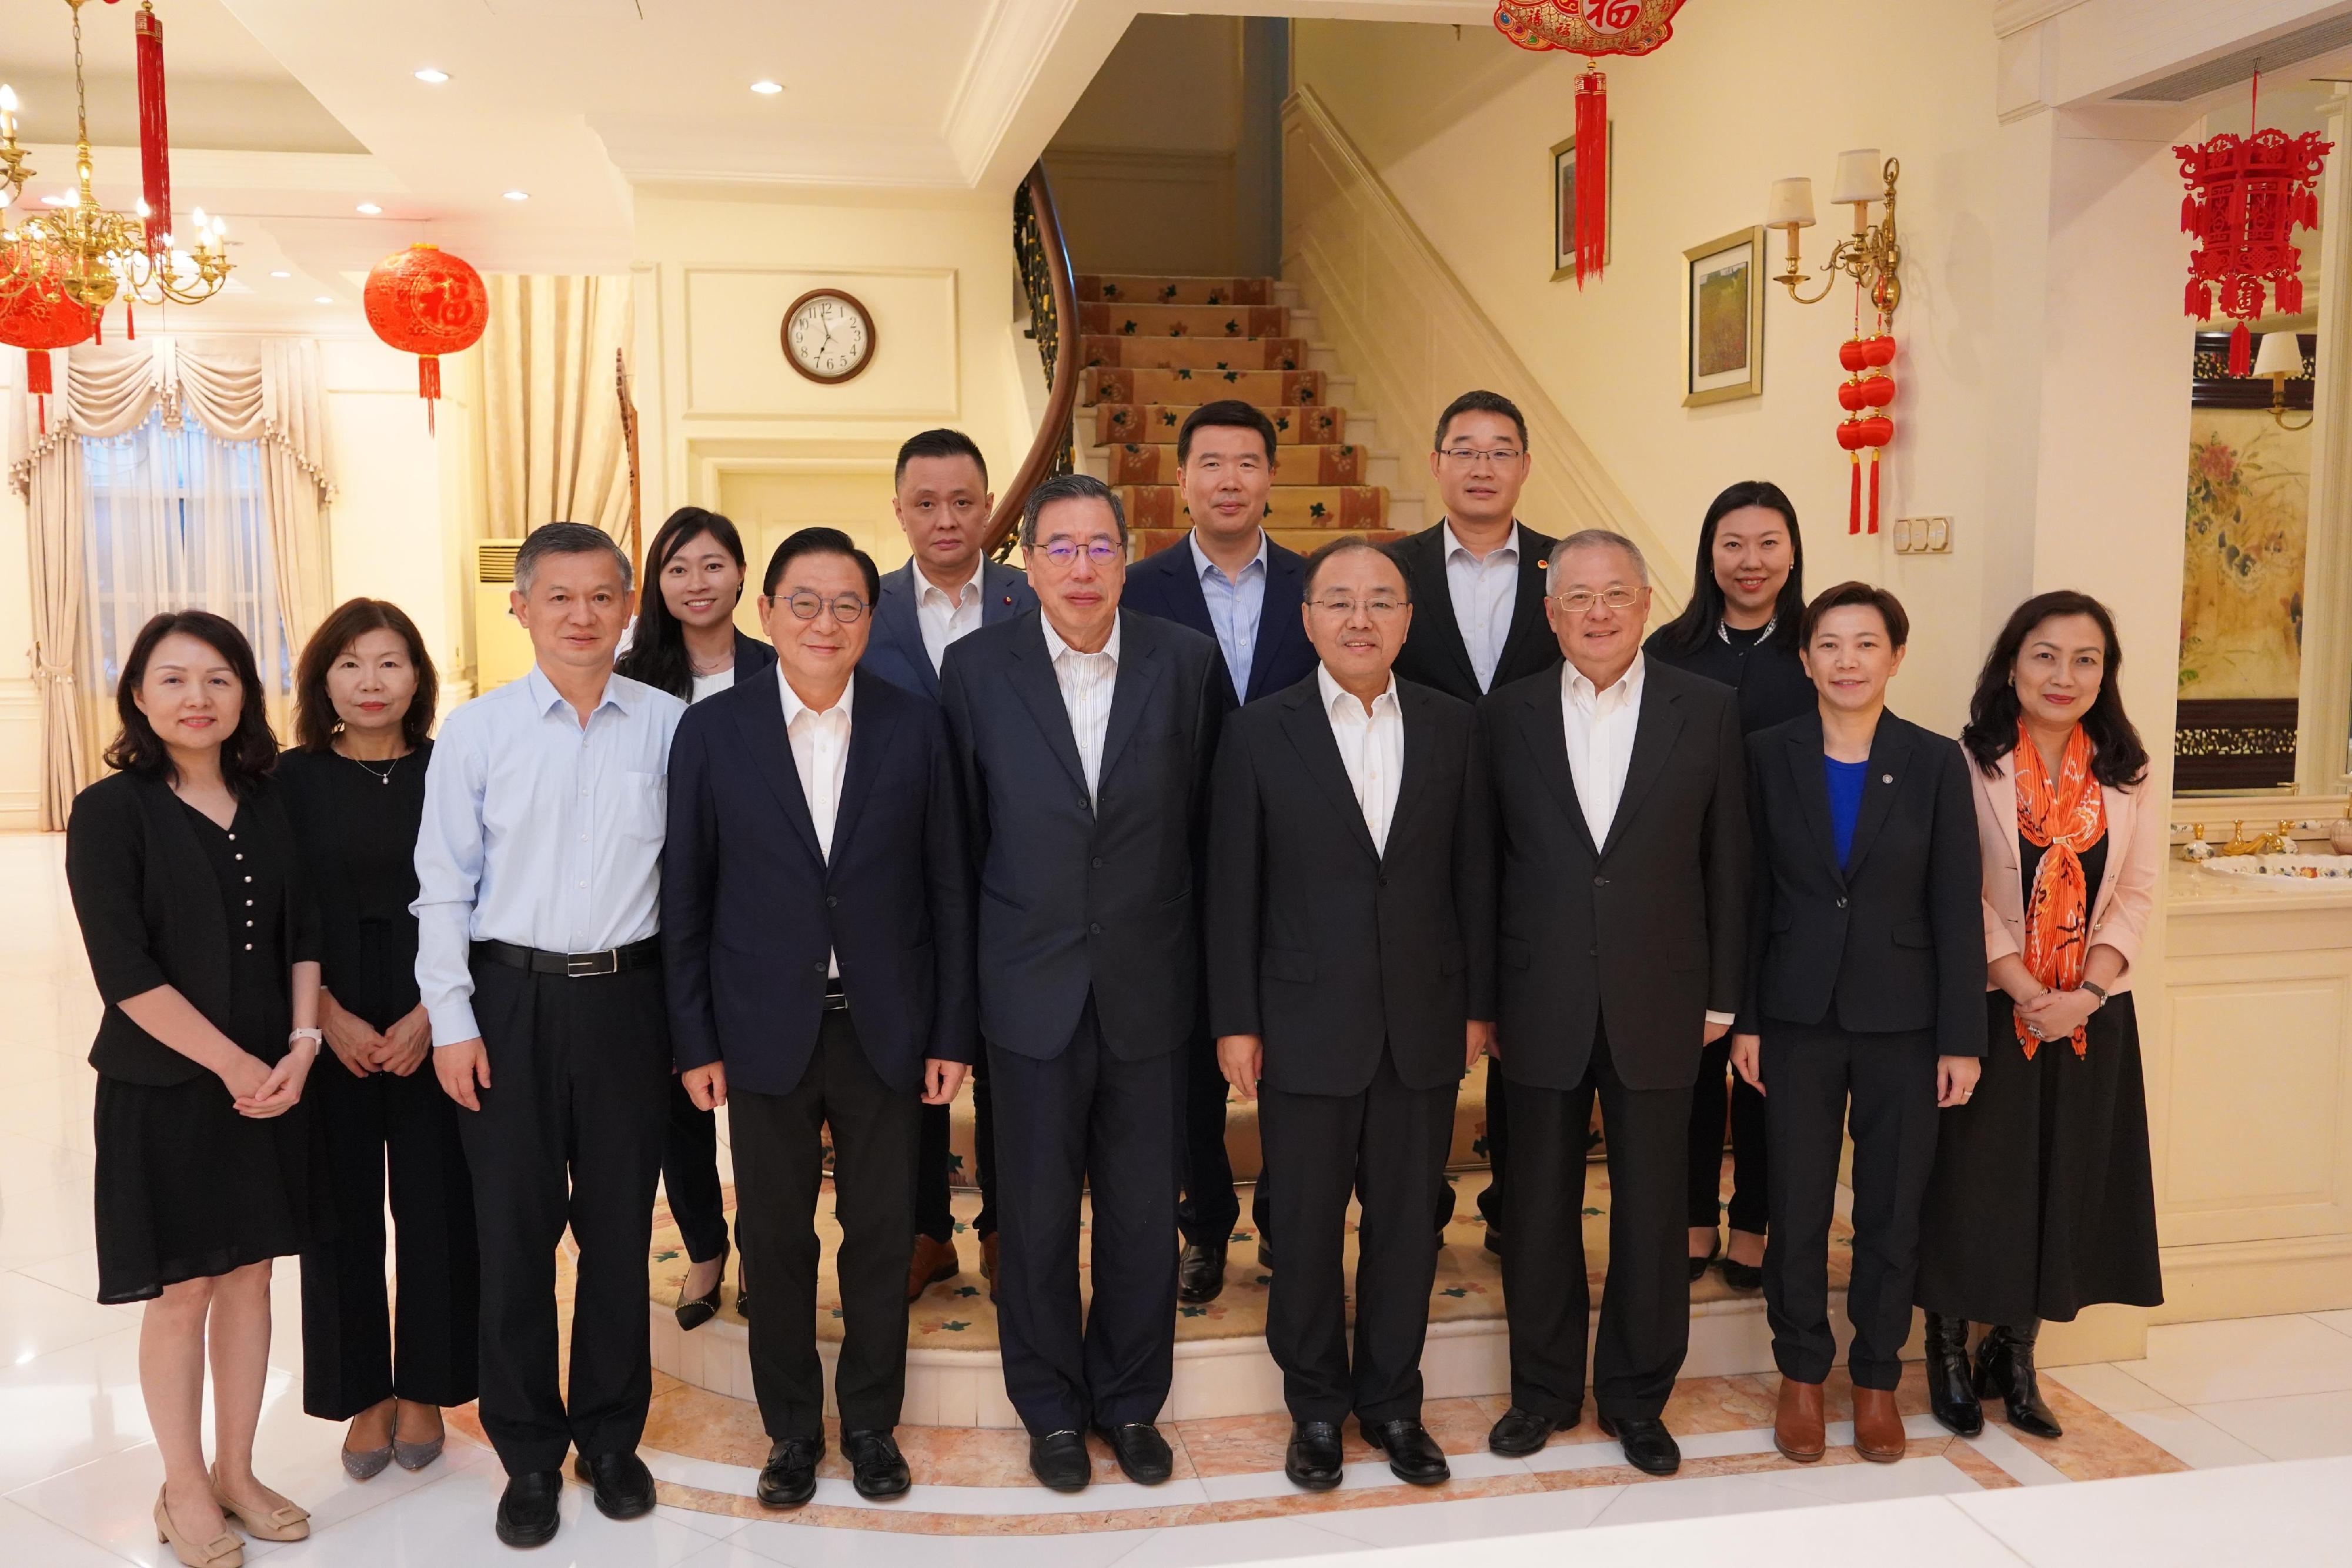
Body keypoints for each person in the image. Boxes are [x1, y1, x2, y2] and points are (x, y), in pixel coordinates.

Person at [663, 528, 977, 1508]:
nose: (825, 622)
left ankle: (873, 1425)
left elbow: (949, 894)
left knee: (883, 1235)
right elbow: (688, 898)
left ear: (869, 621)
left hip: (888, 1025)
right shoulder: (713, 733)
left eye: (847, 604)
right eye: (804, 602)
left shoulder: (915, 725)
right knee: (778, 1237)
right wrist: (694, 1038)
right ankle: (793, 1431)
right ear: (767, 613)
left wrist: (950, 1034)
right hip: (762, 1029)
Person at [938, 472, 1230, 1493]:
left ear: (1126, 555)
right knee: (1038, 1215)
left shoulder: (1188, 666)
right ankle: (1053, 1411)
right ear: (1027, 563)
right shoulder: (974, 672)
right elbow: (959, 849)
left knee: (1149, 1213)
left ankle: (1131, 1403)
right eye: (1059, 548)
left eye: (1100, 547)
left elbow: (1215, 839)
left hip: (1154, 989)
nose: (1080, 567)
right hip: (1026, 993)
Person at [412, 521, 687, 1549]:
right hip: (508, 1004)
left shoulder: (669, 728)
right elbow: (442, 888)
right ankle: (527, 1453)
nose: (582, 617)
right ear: (521, 608)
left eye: (601, 597)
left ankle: (613, 1440)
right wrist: (451, 1021)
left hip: (630, 1003)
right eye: (559, 598)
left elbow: (694, 888)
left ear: (627, 610)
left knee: (620, 1235)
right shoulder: (478, 735)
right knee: (515, 1239)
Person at [1205, 536, 1494, 1490]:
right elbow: (1233, 888)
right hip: (1300, 1021)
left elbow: (1474, 884)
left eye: (1381, 602)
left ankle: (1394, 1403)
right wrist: (1236, 1018)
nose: (1360, 619)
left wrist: (1478, 1006)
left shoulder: (1456, 729)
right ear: (1308, 619)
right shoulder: (1259, 730)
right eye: (1339, 602)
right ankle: (1317, 1409)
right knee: (1306, 1224)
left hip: (1423, 1019)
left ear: (1410, 620)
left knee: (1410, 1225)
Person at [1478, 530, 1749, 1477]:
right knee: (1538, 1207)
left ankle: (1638, 1396)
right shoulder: (1504, 717)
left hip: (1663, 1000)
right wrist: (1483, 1000)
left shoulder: (1706, 710)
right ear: (1549, 614)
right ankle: (1543, 1392)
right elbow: (1485, 873)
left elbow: (1730, 863)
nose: (1597, 612)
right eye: (1577, 598)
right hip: (1535, 999)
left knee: (1652, 1209)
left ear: (1645, 605)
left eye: (1616, 596)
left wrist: (1725, 997)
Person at [66, 611, 323, 1568]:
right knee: (183, 1290)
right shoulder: (110, 810)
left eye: (217, 679)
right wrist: (235, 1065)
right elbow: (124, 972)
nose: (197, 698)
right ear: (137, 694)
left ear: (246, 693)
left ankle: (239, 1469)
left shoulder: (270, 799)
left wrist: (300, 1048)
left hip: (273, 1078)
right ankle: (183, 1489)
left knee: (252, 1277)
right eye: (172, 680)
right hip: (168, 1086)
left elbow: (306, 932)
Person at [1725, 583, 1983, 1467]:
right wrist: (1747, 1020)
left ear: (1896, 657)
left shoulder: (1935, 761)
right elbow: (1749, 899)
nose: (1846, 661)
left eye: (1865, 645)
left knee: (1891, 1211)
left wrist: (1962, 1038)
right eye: (1828, 645)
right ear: (1804, 660)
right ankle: (1802, 1375)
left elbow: (1957, 906)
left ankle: (1876, 1379)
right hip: (1793, 1017)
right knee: (1795, 1205)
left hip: (1906, 1023)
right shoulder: (1765, 755)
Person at [1916, 590, 2164, 1440]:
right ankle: (1946, 1346)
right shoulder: (1966, 762)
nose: (2065, 675)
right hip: (1992, 1006)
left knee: (2063, 1181)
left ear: (2107, 673)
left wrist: (2087, 993)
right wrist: (2027, 991)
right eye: (2047, 656)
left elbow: (2134, 893)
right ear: (2013, 664)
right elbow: (1959, 893)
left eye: (2086, 659)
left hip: (2090, 1015)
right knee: (1973, 1184)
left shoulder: (2125, 773)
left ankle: (2014, 1356)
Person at [1122, 398, 1317, 1302]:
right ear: (1182, 481)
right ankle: (1202, 1226)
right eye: (1211, 463)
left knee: (1297, 1043)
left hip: (1301, 862)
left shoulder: (1323, 591)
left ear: (1271, 478)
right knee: (1192, 1051)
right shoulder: (1135, 590)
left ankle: (1287, 1217)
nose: (1229, 479)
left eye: (1246, 463)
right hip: (1178, 860)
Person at [280, 600, 476, 1480]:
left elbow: (482, 895)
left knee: (439, 1208)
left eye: (390, 663)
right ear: (324, 679)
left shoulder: (453, 768)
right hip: (330, 1021)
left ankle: (429, 1386)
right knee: (339, 1215)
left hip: (438, 1017)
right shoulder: (286, 780)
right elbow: (282, 916)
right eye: (352, 664)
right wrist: (327, 1017)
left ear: (417, 677)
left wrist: (433, 1013)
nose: (370, 682)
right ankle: (365, 1394)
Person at [860, 428, 1037, 1306]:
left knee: (1008, 1054)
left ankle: (1006, 1224)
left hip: (1016, 871)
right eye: (925, 503)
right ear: (898, 510)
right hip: (899, 882)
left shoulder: (1033, 596)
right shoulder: (865, 608)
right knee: (909, 1057)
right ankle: (926, 1228)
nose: (945, 519)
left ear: (990, 505)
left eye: (963, 501)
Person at [1387, 389, 1562, 1254]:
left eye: (1501, 450)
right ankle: (1414, 1201)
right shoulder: (1391, 572)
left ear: (1526, 466)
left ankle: (1513, 1203)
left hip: (1547, 835)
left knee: (1526, 1015)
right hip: (1420, 830)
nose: (1483, 465)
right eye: (1466, 449)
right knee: (1431, 1004)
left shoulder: (1572, 571)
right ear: (1437, 464)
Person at [1645, 481, 1813, 1292]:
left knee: (1766, 1061)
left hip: (1788, 888)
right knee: (1693, 1059)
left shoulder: (1817, 650)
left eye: (1768, 543)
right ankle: (1692, 1215)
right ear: (1710, 551)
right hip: (1685, 887)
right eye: (1733, 544)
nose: (1750, 562)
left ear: (1792, 551)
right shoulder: (1670, 649)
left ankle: (1754, 1219)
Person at [616, 506, 777, 1329]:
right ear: (658, 583)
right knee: (677, 1098)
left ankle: (759, 1246)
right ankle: (704, 1247)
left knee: (756, 1096)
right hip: (657, 913)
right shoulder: (630, 678)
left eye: (713, 565)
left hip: (753, 916)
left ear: (743, 575)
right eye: (678, 568)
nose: (697, 583)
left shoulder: (778, 669)